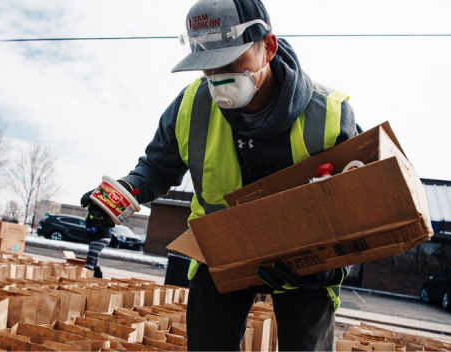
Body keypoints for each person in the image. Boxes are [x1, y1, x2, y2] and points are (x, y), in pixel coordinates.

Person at [81, 0, 359, 350]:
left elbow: (360, 202)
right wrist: (119, 194)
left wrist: (334, 266)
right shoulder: (191, 105)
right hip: (220, 250)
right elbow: (156, 167)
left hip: (304, 261)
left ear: (268, 48)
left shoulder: (328, 114)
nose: (218, 79)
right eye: (207, 67)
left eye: (230, 63)